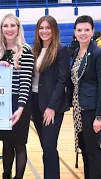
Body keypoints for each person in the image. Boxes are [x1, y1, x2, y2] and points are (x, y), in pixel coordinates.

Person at [0, 13, 34, 179]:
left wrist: (20, 108)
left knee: (19, 144)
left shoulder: (25, 51)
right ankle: (6, 175)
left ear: (18, 28)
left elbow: (25, 83)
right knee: (6, 142)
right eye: (5, 26)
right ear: (1, 29)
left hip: (19, 102)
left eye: (12, 26)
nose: (9, 29)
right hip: (2, 102)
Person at [69, 15, 101, 179]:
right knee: (85, 149)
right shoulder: (77, 52)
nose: (83, 33)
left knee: (93, 151)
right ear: (75, 32)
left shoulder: (98, 53)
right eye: (80, 30)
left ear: (92, 32)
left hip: (91, 110)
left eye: (87, 30)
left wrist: (99, 116)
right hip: (79, 109)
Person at [31, 15, 70, 179]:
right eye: (41, 28)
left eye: (48, 28)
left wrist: (52, 107)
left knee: (49, 145)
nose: (44, 31)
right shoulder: (35, 50)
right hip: (35, 103)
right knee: (45, 146)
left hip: (51, 106)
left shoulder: (61, 50)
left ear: (54, 30)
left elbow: (62, 81)